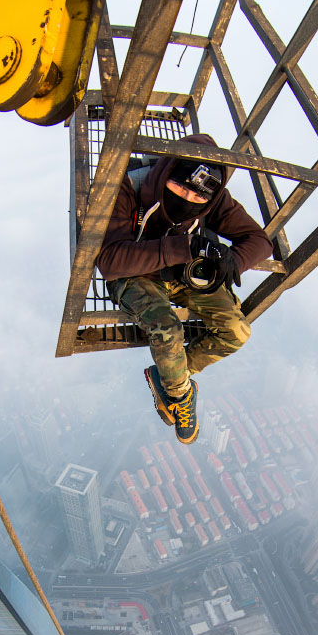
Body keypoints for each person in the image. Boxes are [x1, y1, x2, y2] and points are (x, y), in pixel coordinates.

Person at [96, 133, 273, 445]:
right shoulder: (129, 188)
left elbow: (260, 241)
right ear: (167, 173)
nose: (187, 199)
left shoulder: (214, 199)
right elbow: (110, 261)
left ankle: (171, 375)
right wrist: (182, 246)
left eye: (197, 198)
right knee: (167, 330)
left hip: (184, 272)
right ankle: (179, 394)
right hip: (135, 273)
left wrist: (232, 260)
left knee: (237, 331)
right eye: (179, 187)